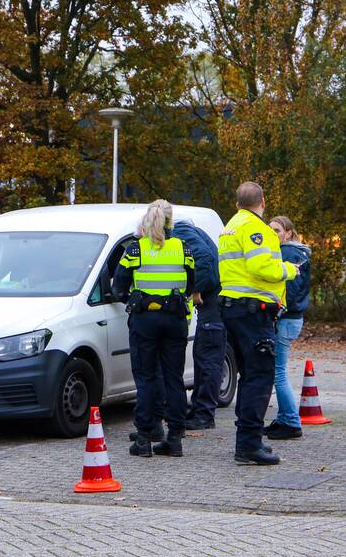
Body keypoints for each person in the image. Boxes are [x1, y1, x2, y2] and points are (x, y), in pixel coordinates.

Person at [218, 182, 299, 465]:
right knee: (260, 376)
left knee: (248, 376)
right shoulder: (256, 229)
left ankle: (247, 441)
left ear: (237, 202)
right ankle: (250, 445)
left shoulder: (229, 226)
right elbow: (261, 267)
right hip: (253, 311)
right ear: (263, 201)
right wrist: (289, 270)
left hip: (233, 308)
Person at [113, 200, 195, 457]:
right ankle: (175, 439)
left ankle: (144, 440)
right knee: (174, 379)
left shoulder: (136, 250)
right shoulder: (184, 248)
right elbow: (192, 284)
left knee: (146, 378)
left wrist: (136, 301)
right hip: (175, 320)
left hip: (145, 320)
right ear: (171, 221)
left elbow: (118, 287)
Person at [172, 218, 225, 430]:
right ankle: (198, 410)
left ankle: (204, 414)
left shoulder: (180, 231)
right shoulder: (188, 232)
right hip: (213, 306)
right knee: (203, 357)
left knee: (208, 360)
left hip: (213, 305)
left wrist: (193, 290)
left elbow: (203, 259)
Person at [265, 216, 312, 440]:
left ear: (289, 233)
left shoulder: (289, 254)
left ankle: (291, 421)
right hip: (292, 319)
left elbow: (290, 292)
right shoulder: (298, 252)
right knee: (278, 370)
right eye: (269, 230)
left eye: (276, 230)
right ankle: (285, 418)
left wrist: (277, 312)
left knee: (279, 372)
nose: (272, 234)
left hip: (286, 319)